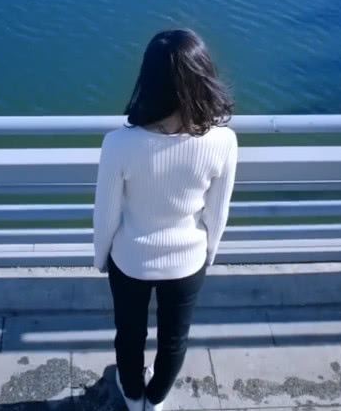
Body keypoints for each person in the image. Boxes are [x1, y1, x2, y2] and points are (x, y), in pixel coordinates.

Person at [92, 29, 238, 411]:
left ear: (149, 79)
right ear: (204, 77)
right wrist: (208, 253)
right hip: (188, 260)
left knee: (129, 335)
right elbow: (218, 212)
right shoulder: (223, 141)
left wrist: (100, 256)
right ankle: (155, 400)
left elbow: (105, 214)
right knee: (174, 340)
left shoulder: (118, 144)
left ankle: (132, 394)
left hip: (130, 259)